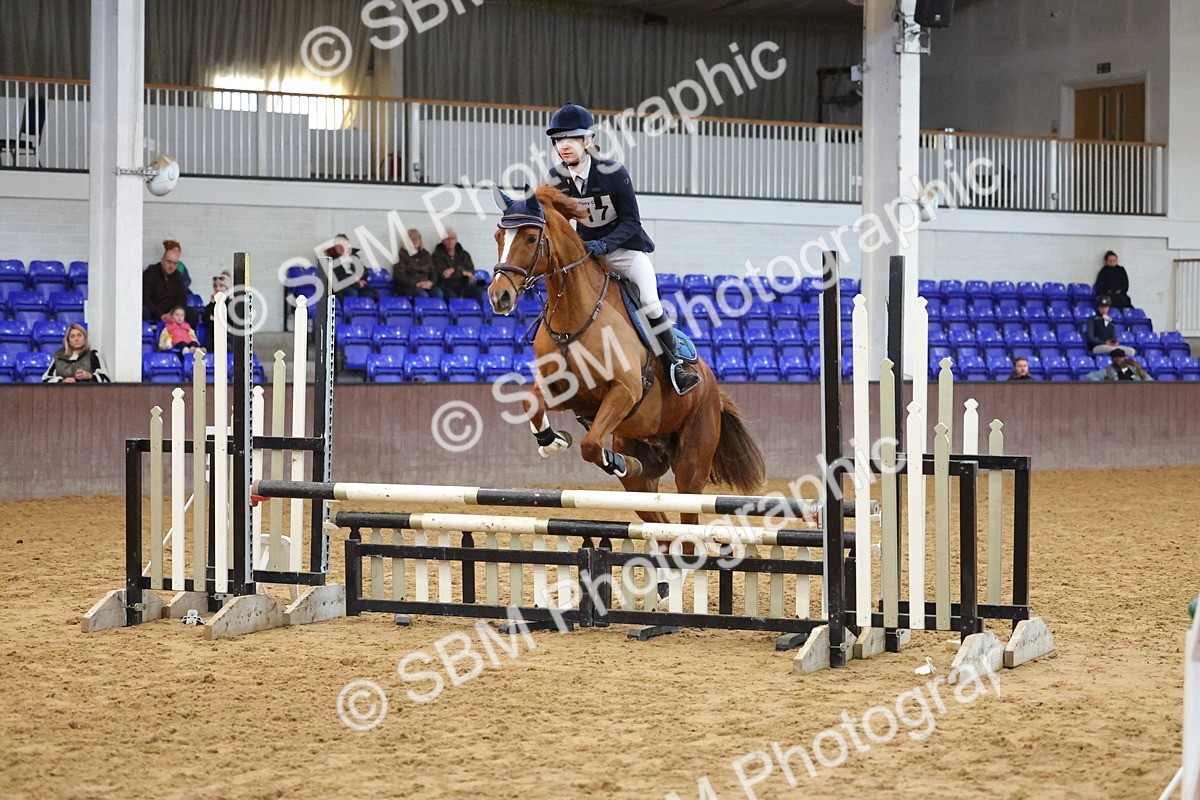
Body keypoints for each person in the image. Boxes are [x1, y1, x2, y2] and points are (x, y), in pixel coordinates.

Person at [544, 102, 700, 395]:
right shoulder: (556, 178)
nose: (564, 145)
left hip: (625, 252)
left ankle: (676, 366)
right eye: (559, 139)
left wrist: (604, 244)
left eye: (572, 138)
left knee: (651, 302)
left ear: (588, 140)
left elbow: (631, 222)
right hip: (588, 257)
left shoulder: (613, 172)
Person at [142, 240, 198, 327]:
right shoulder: (150, 273)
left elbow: (182, 299)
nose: (171, 266)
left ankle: (188, 334)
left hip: (173, 311)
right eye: (169, 262)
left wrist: (173, 313)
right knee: (142, 311)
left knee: (192, 312)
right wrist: (160, 315)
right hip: (154, 309)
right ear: (162, 260)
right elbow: (146, 299)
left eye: (175, 263)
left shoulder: (178, 276)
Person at [41, 323, 111, 383]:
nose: (76, 339)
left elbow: (106, 380)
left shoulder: (94, 356)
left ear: (85, 338)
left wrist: (90, 376)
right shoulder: (59, 357)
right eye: (72, 336)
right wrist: (62, 381)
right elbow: (45, 380)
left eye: (79, 335)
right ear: (68, 340)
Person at [433, 229, 485, 303]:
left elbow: (470, 271)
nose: (450, 241)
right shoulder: (437, 255)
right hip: (446, 285)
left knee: (479, 292)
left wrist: (453, 270)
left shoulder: (464, 255)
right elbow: (441, 275)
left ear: (456, 240)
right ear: (443, 241)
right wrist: (462, 272)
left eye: (453, 238)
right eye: (448, 239)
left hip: (464, 284)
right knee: (453, 298)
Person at [325, 234, 377, 302]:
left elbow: (365, 272)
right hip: (341, 286)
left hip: (356, 284)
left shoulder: (354, 257)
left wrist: (359, 278)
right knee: (352, 293)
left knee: (370, 293)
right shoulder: (331, 260)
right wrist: (355, 279)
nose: (342, 248)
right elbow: (337, 277)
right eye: (339, 246)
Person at [392, 230, 443, 298]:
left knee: (438, 293)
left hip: (425, 285)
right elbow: (399, 276)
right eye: (412, 239)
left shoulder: (426, 254)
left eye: (417, 238)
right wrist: (416, 283)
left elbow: (433, 272)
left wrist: (431, 282)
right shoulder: (402, 255)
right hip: (409, 287)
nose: (415, 241)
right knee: (423, 295)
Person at [202, 271, 232, 351]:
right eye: (215, 286)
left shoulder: (231, 304)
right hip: (212, 339)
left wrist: (215, 319)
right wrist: (212, 302)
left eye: (221, 286)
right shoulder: (212, 305)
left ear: (226, 289)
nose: (217, 289)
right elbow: (205, 320)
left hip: (227, 340)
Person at [1083, 348, 1151, 382]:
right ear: (1112, 359)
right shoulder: (1108, 370)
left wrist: (1139, 369)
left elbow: (1149, 380)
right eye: (1115, 357)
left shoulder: (1133, 368)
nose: (1118, 359)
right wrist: (1104, 384)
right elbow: (1088, 377)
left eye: (1120, 357)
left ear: (1124, 358)